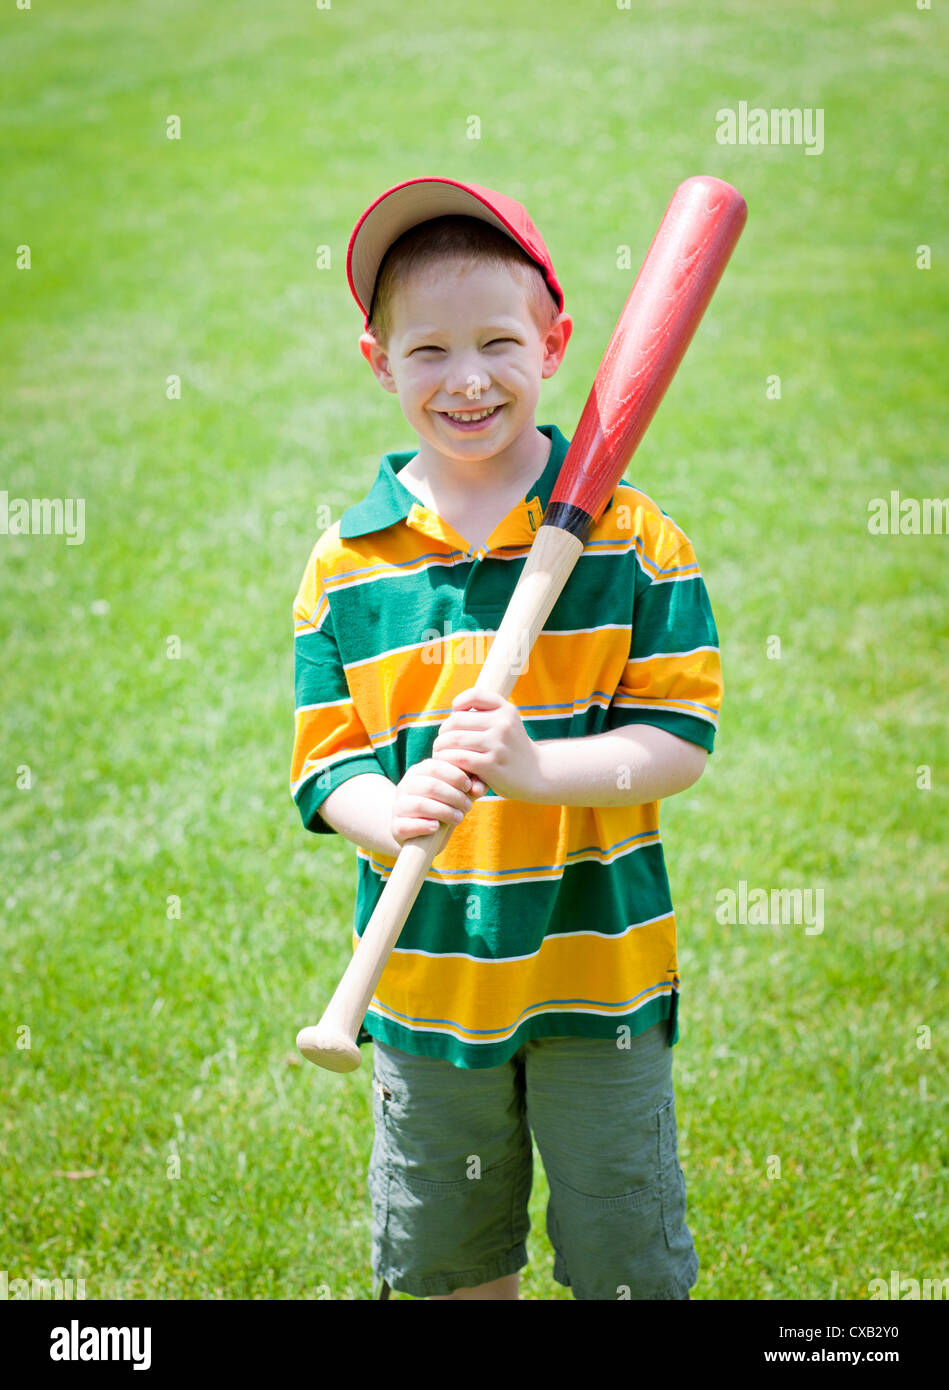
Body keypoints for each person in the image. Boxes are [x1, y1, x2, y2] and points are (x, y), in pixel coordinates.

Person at [290, 177, 723, 1300]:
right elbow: (323, 757)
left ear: (555, 338)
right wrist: (382, 815)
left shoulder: (633, 539)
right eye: (427, 349)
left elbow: (676, 739)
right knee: (444, 1261)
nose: (468, 376)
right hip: (426, 991)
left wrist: (537, 770)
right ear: (378, 361)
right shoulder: (348, 565)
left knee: (624, 1258)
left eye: (497, 340)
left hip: (601, 981)